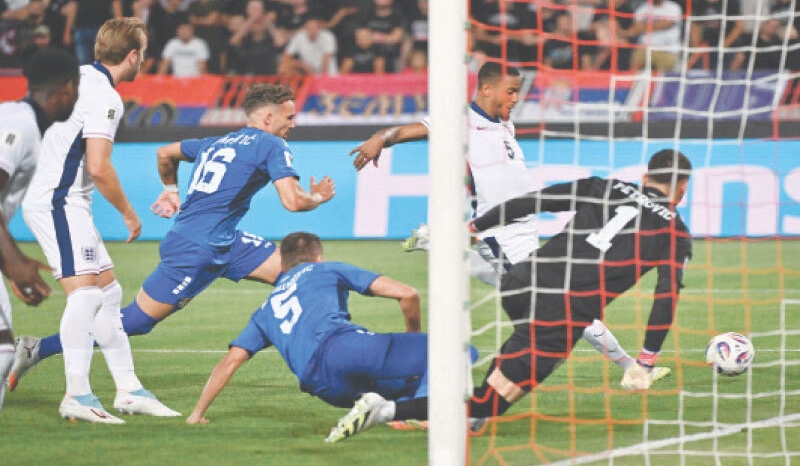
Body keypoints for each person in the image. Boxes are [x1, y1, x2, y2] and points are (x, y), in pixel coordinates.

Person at [325, 149, 693, 442]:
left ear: (645, 177)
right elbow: (666, 296)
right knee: (493, 402)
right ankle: (385, 410)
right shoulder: (675, 231)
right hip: (563, 310)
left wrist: (472, 227)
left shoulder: (608, 186)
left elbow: (535, 200)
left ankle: (467, 417)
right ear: (682, 189)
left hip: (521, 282)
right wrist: (644, 363)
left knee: (491, 395)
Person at [9, 83, 336, 398]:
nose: (293, 124)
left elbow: (165, 152)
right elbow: (293, 202)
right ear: (267, 119)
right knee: (135, 322)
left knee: (299, 275)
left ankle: (330, 352)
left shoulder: (217, 142)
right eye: (289, 117)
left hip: (224, 241)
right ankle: (36, 349)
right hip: (196, 250)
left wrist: (171, 190)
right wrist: (318, 198)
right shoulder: (272, 145)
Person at [350, 61, 661, 381]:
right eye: (510, 91)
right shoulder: (460, 121)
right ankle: (630, 367)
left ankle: (437, 243)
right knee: (560, 302)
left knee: (548, 296)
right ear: (486, 89)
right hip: (498, 232)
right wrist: (379, 138)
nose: (515, 98)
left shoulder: (504, 126)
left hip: (523, 225)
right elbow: (410, 131)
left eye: (518, 92)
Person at [16, 17, 179, 424]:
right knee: (86, 296)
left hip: (62, 199)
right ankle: (77, 395)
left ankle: (129, 390)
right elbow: (100, 167)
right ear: (134, 56)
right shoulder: (106, 97)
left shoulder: (78, 76)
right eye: (143, 51)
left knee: (107, 293)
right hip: (58, 201)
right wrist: (129, 214)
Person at [185, 231, 426, 431]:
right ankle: (423, 416)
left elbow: (231, 360)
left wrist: (197, 412)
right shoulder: (327, 270)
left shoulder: (266, 309)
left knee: (406, 384)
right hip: (340, 348)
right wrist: (412, 342)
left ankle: (399, 414)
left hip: (324, 387)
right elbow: (408, 294)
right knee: (438, 353)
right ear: (318, 257)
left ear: (281, 265)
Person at [0, 49, 80, 413]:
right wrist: (14, 261)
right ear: (64, 88)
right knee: (3, 353)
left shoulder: (20, 120)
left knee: (4, 352)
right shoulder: (18, 125)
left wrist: (9, 263)